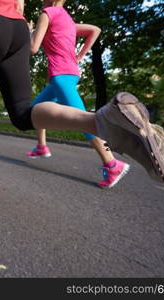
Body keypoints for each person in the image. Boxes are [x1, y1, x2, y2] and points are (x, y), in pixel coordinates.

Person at [0, 0, 164, 196]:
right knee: (22, 113)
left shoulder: (48, 13)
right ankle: (102, 120)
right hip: (17, 28)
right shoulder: (63, 16)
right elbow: (19, 6)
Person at [25, 0, 129, 188]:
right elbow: (95, 30)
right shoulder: (66, 18)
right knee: (35, 110)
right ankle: (41, 147)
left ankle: (112, 164)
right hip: (69, 73)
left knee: (85, 121)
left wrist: (27, 31)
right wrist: (79, 56)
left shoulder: (47, 13)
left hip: (60, 76)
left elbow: (32, 48)